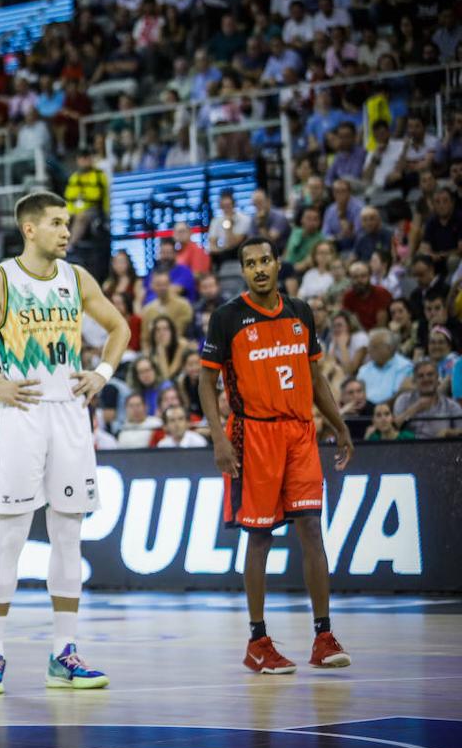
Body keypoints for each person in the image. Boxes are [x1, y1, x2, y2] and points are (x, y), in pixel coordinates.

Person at [0, 191, 131, 695]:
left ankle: (64, 653)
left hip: (70, 414)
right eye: (58, 223)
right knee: (11, 535)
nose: (67, 232)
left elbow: (119, 327)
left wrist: (102, 372)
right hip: (21, 414)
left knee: (68, 536)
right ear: (31, 229)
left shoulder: (77, 278)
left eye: (69, 224)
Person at [198, 236, 354, 676]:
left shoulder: (300, 312)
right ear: (244, 271)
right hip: (255, 435)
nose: (259, 268)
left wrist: (339, 425)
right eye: (250, 264)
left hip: (301, 433)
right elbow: (205, 384)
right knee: (260, 536)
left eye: (265, 260)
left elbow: (314, 374)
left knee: (310, 527)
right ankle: (258, 641)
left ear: (277, 263)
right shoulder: (227, 317)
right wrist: (218, 437)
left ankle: (323, 636)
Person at [392, 360, 462, 438]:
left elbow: (460, 430)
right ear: (415, 381)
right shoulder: (403, 400)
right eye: (421, 376)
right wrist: (415, 408)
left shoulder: (451, 405)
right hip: (409, 448)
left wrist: (449, 432)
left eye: (430, 374)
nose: (426, 379)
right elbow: (393, 427)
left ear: (437, 378)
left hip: (440, 448)